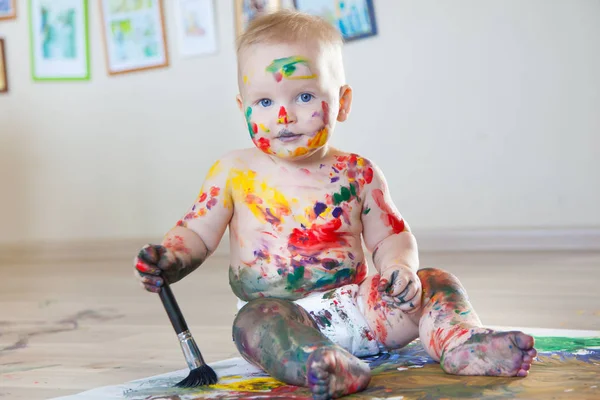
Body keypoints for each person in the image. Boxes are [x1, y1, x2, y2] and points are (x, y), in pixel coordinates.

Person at [134, 10, 537, 400]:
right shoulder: (234, 171)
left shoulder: (357, 172)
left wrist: (399, 270)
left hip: (360, 309)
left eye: (304, 95)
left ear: (342, 102)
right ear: (242, 108)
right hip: (281, 315)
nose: (284, 115)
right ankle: (325, 364)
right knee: (251, 326)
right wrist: (170, 257)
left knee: (435, 280)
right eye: (263, 102)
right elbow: (197, 232)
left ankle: (462, 343)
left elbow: (390, 237)